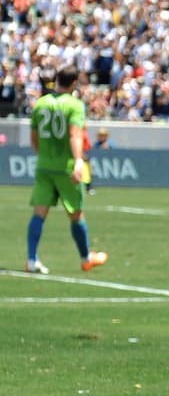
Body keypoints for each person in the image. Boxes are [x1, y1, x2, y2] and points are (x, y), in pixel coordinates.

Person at [24, 66, 108, 274]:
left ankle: (32, 259)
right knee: (76, 214)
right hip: (66, 168)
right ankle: (86, 258)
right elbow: (74, 134)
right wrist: (78, 161)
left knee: (39, 213)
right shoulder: (75, 105)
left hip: (44, 165)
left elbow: (34, 137)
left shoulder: (40, 103)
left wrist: (41, 155)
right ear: (73, 84)